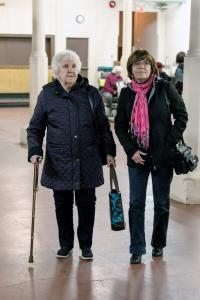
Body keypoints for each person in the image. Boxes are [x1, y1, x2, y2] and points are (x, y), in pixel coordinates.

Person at [27, 49, 116, 260]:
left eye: (74, 66)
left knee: (87, 205)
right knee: (62, 205)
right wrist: (34, 151)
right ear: (57, 70)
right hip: (60, 161)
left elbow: (103, 125)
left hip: (88, 159)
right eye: (66, 66)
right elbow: (35, 128)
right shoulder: (47, 94)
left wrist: (109, 151)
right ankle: (65, 244)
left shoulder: (91, 93)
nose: (70, 70)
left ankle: (86, 245)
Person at [115, 49, 188, 264]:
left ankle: (158, 244)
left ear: (151, 67)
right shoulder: (127, 94)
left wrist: (169, 144)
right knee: (136, 203)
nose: (141, 68)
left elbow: (182, 115)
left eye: (145, 64)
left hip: (163, 158)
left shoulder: (165, 88)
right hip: (137, 158)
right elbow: (119, 126)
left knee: (161, 204)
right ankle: (137, 248)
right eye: (136, 65)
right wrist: (131, 151)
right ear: (131, 69)